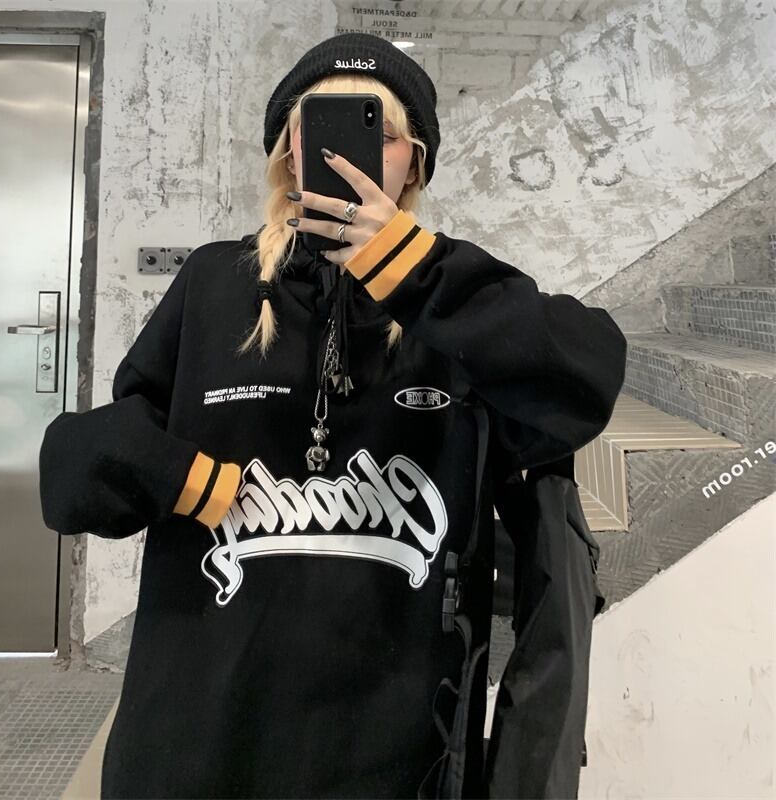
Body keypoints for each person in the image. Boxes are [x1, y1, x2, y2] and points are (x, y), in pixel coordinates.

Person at [39, 31, 627, 800]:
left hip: (394, 764)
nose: (349, 155)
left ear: (414, 163)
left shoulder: (458, 305)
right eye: (319, 127)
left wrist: (415, 272)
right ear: (289, 151)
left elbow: (587, 379)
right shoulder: (214, 283)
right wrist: (175, 474)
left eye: (378, 131)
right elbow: (76, 474)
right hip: (195, 754)